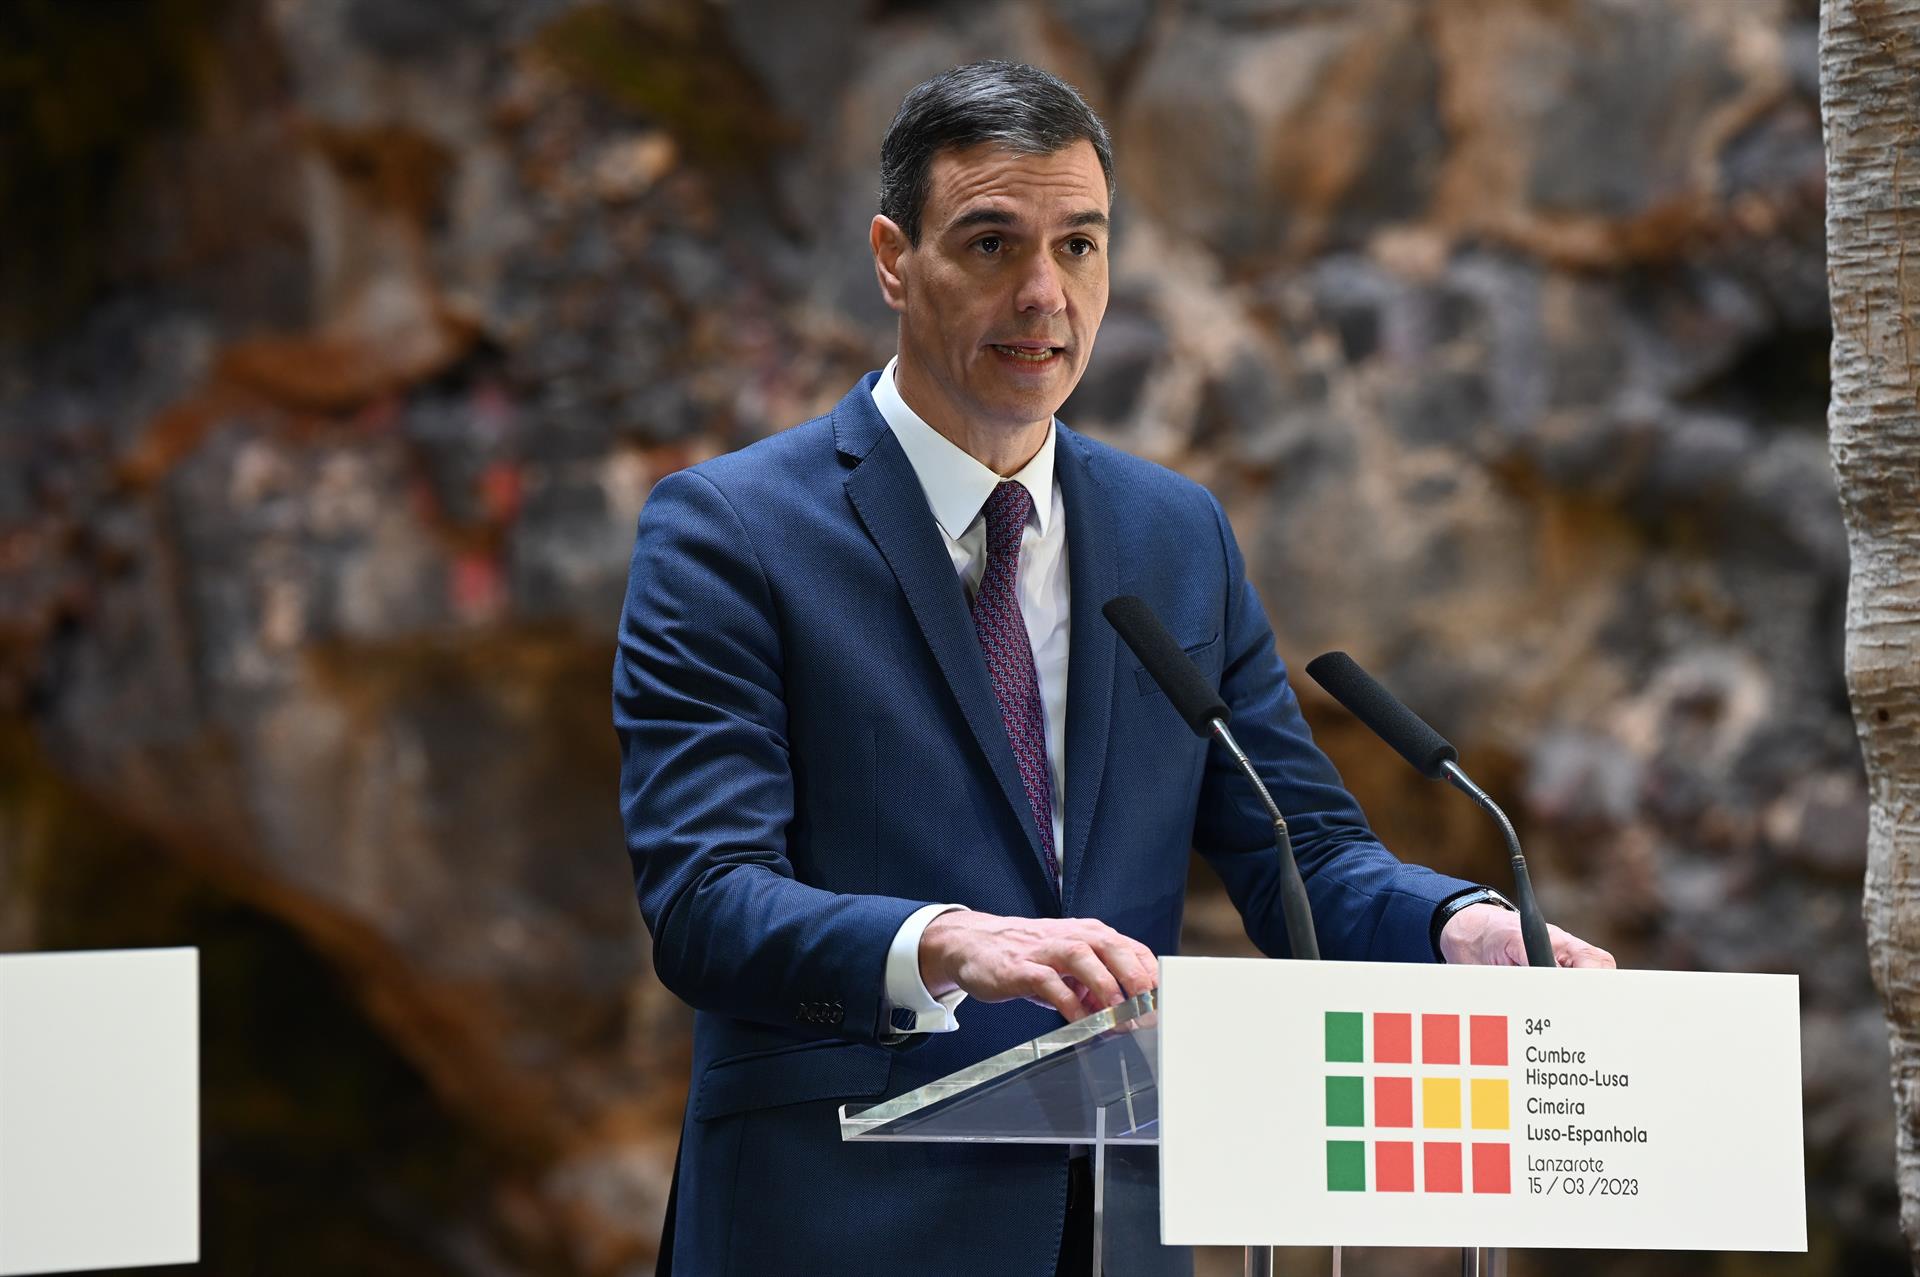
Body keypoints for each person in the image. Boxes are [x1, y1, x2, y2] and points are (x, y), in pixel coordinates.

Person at [613, 59, 1613, 1277]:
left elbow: (1299, 851)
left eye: (1079, 246)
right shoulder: (731, 530)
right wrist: (944, 940)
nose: (1044, 293)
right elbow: (707, 899)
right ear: (892, 258)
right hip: (833, 1218)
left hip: (1116, 1229)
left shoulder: (1173, 533)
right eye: (991, 244)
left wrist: (1454, 925)